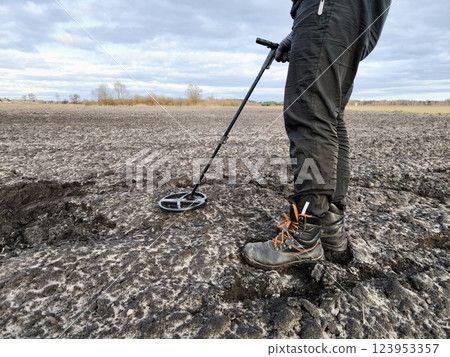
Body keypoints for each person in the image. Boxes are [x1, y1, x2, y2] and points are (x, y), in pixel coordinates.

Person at [243, 0, 391, 269]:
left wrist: (314, 16)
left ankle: (304, 236)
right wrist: (298, 31)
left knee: (309, 112)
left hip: (329, 7)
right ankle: (329, 227)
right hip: (351, 14)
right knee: (329, 114)